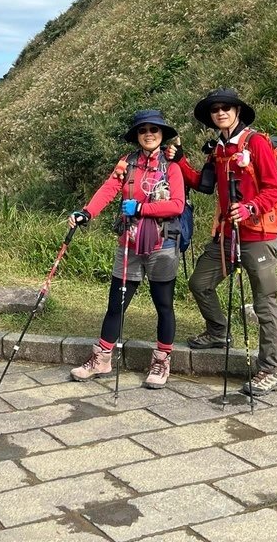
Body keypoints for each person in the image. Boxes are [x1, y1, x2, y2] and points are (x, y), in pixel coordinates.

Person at [173, 87, 277, 396]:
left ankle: (270, 369)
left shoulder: (257, 143)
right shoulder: (218, 150)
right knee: (199, 282)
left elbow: (273, 189)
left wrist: (250, 207)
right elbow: (204, 185)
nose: (220, 112)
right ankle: (218, 331)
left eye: (226, 107)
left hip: (258, 235)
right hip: (226, 236)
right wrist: (181, 162)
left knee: (264, 303)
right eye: (215, 109)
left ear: (237, 112)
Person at [67, 109, 185, 389]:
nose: (148, 134)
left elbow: (177, 204)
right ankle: (102, 359)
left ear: (161, 135)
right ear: (137, 135)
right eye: (143, 130)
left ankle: (161, 361)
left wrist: (142, 208)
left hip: (162, 243)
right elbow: (109, 189)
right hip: (129, 244)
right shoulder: (127, 163)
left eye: (154, 130)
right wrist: (87, 212)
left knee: (164, 305)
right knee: (116, 305)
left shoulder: (173, 167)